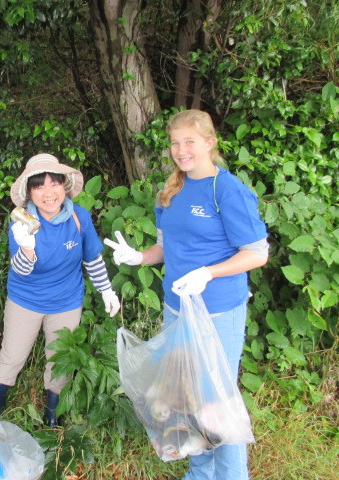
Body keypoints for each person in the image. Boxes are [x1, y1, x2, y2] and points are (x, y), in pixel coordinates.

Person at [105, 109, 269, 480]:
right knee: (186, 396)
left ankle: (230, 475)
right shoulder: (171, 191)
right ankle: (200, 473)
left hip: (216, 311)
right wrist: (138, 257)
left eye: (189, 142)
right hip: (175, 307)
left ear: (210, 143)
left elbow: (258, 253)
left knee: (217, 401)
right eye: (175, 143)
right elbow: (165, 248)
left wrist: (208, 273)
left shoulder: (226, 190)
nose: (181, 150)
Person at [0, 153, 120, 427]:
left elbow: (91, 258)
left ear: (64, 186)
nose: (48, 193)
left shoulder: (79, 217)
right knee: (12, 355)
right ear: (30, 193)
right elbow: (21, 270)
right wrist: (27, 246)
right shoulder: (20, 224)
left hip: (67, 301)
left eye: (54, 183)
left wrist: (106, 291)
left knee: (59, 360)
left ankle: (52, 413)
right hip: (26, 300)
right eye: (39, 186)